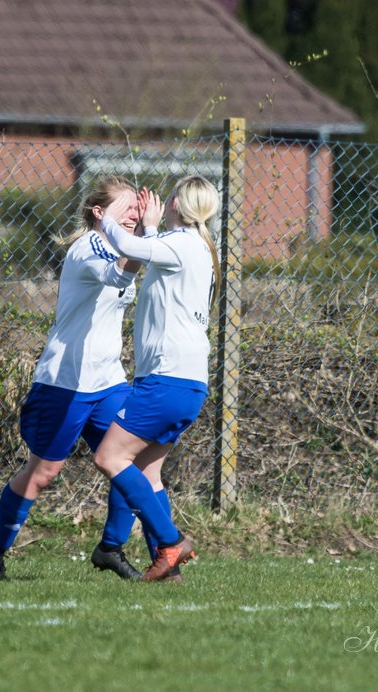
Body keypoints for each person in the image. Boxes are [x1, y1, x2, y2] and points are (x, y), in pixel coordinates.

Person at [0, 175, 153, 581]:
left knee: (130, 462)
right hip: (65, 382)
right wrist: (145, 242)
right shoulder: (88, 248)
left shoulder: (129, 245)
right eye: (128, 210)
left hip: (107, 381)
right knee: (43, 474)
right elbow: (119, 277)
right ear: (99, 214)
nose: (136, 217)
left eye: (138, 211)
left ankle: (110, 547)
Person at [93, 176, 221, 582]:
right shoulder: (193, 246)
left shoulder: (182, 244)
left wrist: (105, 220)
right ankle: (166, 569)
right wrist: (149, 226)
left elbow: (132, 249)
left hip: (166, 380)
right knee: (147, 473)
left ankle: (171, 542)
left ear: (178, 203)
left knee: (110, 457)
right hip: (187, 384)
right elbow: (157, 251)